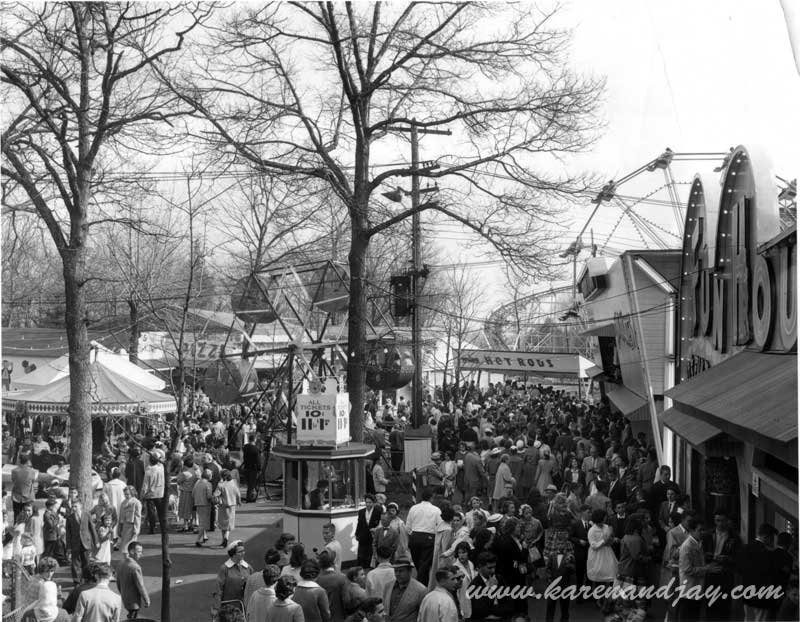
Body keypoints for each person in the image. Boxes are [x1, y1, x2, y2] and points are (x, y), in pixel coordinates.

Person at [737, 523, 782, 622]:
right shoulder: (768, 553)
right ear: (766, 537)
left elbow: (739, 569)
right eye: (772, 539)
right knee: (761, 619)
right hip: (763, 594)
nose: (772, 542)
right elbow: (772, 574)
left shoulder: (745, 548)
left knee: (748, 618)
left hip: (747, 591)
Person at [404, 487, 441, 586]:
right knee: (423, 565)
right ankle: (420, 585)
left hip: (415, 537)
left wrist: (413, 534)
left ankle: (421, 585)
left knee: (419, 565)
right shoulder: (436, 510)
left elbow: (407, 526)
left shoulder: (413, 508)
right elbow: (440, 526)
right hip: (429, 538)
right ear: (432, 497)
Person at [677, 517, 710, 622]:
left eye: (703, 530)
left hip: (696, 588)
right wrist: (706, 569)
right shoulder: (687, 546)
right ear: (692, 530)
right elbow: (687, 569)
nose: (702, 533)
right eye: (700, 530)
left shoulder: (698, 543)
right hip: (688, 589)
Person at [379, 553, 425, 622]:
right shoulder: (388, 586)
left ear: (409, 571)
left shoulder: (421, 590)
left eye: (401, 571)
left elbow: (422, 616)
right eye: (395, 571)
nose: (397, 574)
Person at [115, 541, 150, 620]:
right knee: (133, 617)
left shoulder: (121, 563)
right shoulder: (135, 567)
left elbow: (118, 582)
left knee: (131, 616)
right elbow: (140, 585)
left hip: (125, 597)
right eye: (139, 552)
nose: (141, 554)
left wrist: (122, 592)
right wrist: (146, 599)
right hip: (134, 601)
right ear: (131, 552)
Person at [65, 500, 97, 585]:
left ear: (80, 506)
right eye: (72, 506)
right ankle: (77, 581)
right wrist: (68, 547)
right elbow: (68, 534)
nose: (74, 508)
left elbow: (92, 528)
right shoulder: (69, 518)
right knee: (75, 563)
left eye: (76, 506)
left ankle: (87, 579)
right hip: (75, 543)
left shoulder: (86, 514)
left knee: (86, 562)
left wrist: (96, 541)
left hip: (86, 542)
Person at [217, 540, 252, 605]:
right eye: (240, 552)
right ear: (233, 554)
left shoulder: (248, 567)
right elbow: (218, 589)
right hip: (229, 606)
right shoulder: (224, 569)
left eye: (243, 551)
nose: (243, 553)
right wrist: (217, 607)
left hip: (244, 606)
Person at [140, 451, 165, 535]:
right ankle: (162, 526)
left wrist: (142, 495)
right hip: (160, 492)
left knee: (151, 512)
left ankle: (152, 527)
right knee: (160, 511)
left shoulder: (149, 471)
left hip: (150, 493)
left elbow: (145, 485)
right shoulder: (161, 468)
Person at [217, 469, 242, 548]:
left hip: (223, 506)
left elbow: (216, 494)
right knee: (229, 524)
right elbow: (238, 493)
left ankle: (223, 540)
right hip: (232, 506)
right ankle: (226, 538)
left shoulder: (220, 485)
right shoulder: (233, 483)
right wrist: (239, 501)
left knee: (222, 524)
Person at [355, 494, 382, 568]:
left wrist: (376, 530)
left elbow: (380, 524)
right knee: (362, 552)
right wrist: (357, 534)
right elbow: (359, 524)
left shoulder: (377, 512)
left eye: (370, 502)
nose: (368, 504)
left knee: (371, 553)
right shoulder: (361, 512)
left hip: (373, 536)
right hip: (363, 536)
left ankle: (370, 567)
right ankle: (361, 567)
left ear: (373, 503)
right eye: (366, 502)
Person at [11, 453, 38, 522]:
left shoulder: (14, 471)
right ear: (27, 461)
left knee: (16, 515)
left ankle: (16, 526)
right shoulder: (32, 471)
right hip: (28, 496)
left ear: (20, 460)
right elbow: (33, 481)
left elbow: (13, 481)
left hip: (16, 496)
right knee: (27, 516)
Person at [176, 456, 199, 532]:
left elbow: (178, 481)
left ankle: (185, 525)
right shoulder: (195, 472)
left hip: (185, 492)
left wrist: (180, 471)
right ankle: (191, 524)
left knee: (185, 509)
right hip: (193, 492)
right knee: (192, 509)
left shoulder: (185, 473)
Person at [193, 469, 214, 547]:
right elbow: (209, 496)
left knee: (201, 520)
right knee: (203, 523)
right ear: (209, 476)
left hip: (198, 503)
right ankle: (198, 540)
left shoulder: (197, 483)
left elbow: (193, 494)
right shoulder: (208, 484)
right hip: (205, 504)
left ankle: (205, 536)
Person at [118, 486, 142, 554]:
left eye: (127, 494)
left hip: (132, 527)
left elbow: (138, 517)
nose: (126, 496)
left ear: (132, 493)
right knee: (124, 547)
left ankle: (130, 559)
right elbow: (120, 517)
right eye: (125, 494)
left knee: (130, 547)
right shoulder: (123, 503)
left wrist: (136, 529)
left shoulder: (136, 503)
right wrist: (119, 528)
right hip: (124, 527)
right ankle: (127, 559)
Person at [241, 434, 261, 503]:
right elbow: (258, 460)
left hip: (246, 466)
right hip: (253, 468)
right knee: (251, 483)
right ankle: (249, 498)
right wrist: (259, 468)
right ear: (254, 439)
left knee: (249, 483)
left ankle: (251, 495)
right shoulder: (255, 449)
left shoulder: (245, 447)